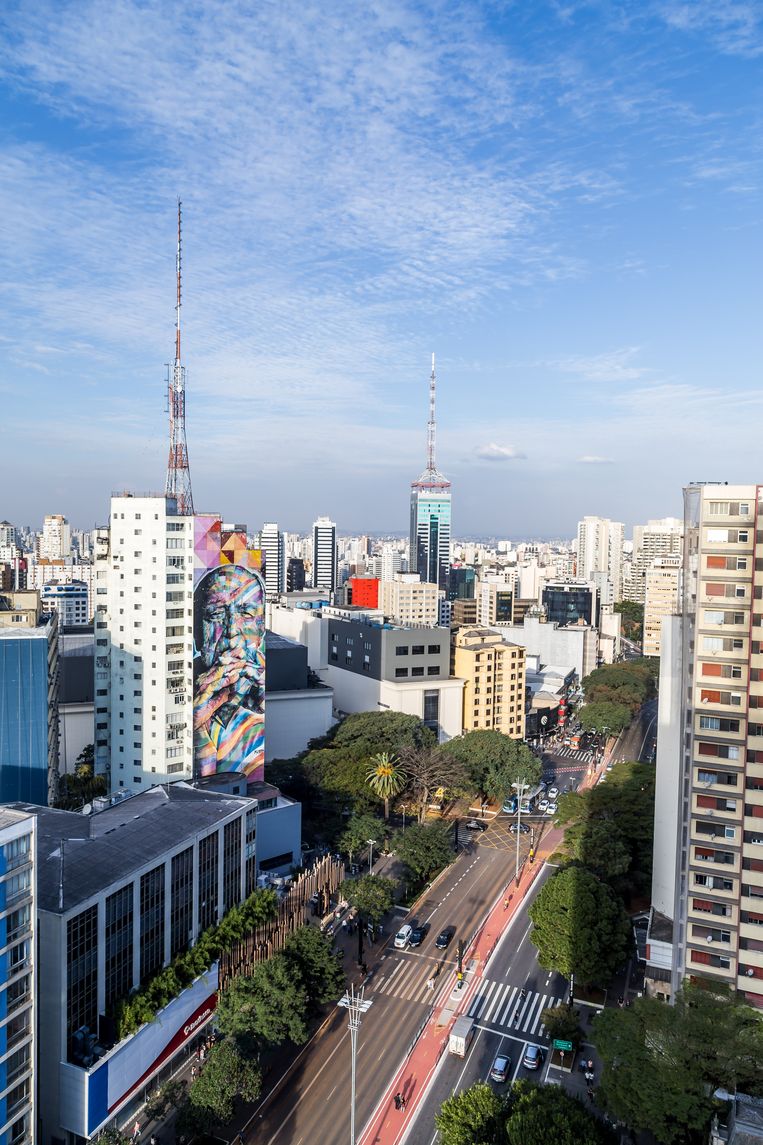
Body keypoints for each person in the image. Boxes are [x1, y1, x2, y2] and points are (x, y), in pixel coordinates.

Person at [193, 565, 265, 778]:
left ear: (261, 630)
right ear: (197, 631)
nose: (232, 631)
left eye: (247, 613)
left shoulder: (261, 695)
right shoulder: (180, 687)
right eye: (216, 614)